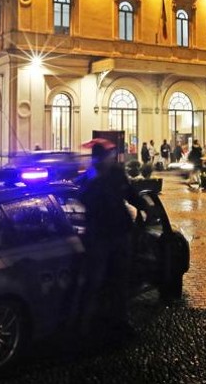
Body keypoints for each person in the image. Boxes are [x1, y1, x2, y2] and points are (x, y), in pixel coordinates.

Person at [74, 138, 142, 340]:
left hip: (118, 234)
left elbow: (130, 193)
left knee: (119, 281)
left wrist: (144, 206)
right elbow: (84, 199)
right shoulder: (90, 179)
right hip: (100, 237)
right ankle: (86, 327)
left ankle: (119, 322)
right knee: (95, 282)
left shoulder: (115, 174)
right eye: (107, 156)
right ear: (99, 158)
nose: (111, 159)